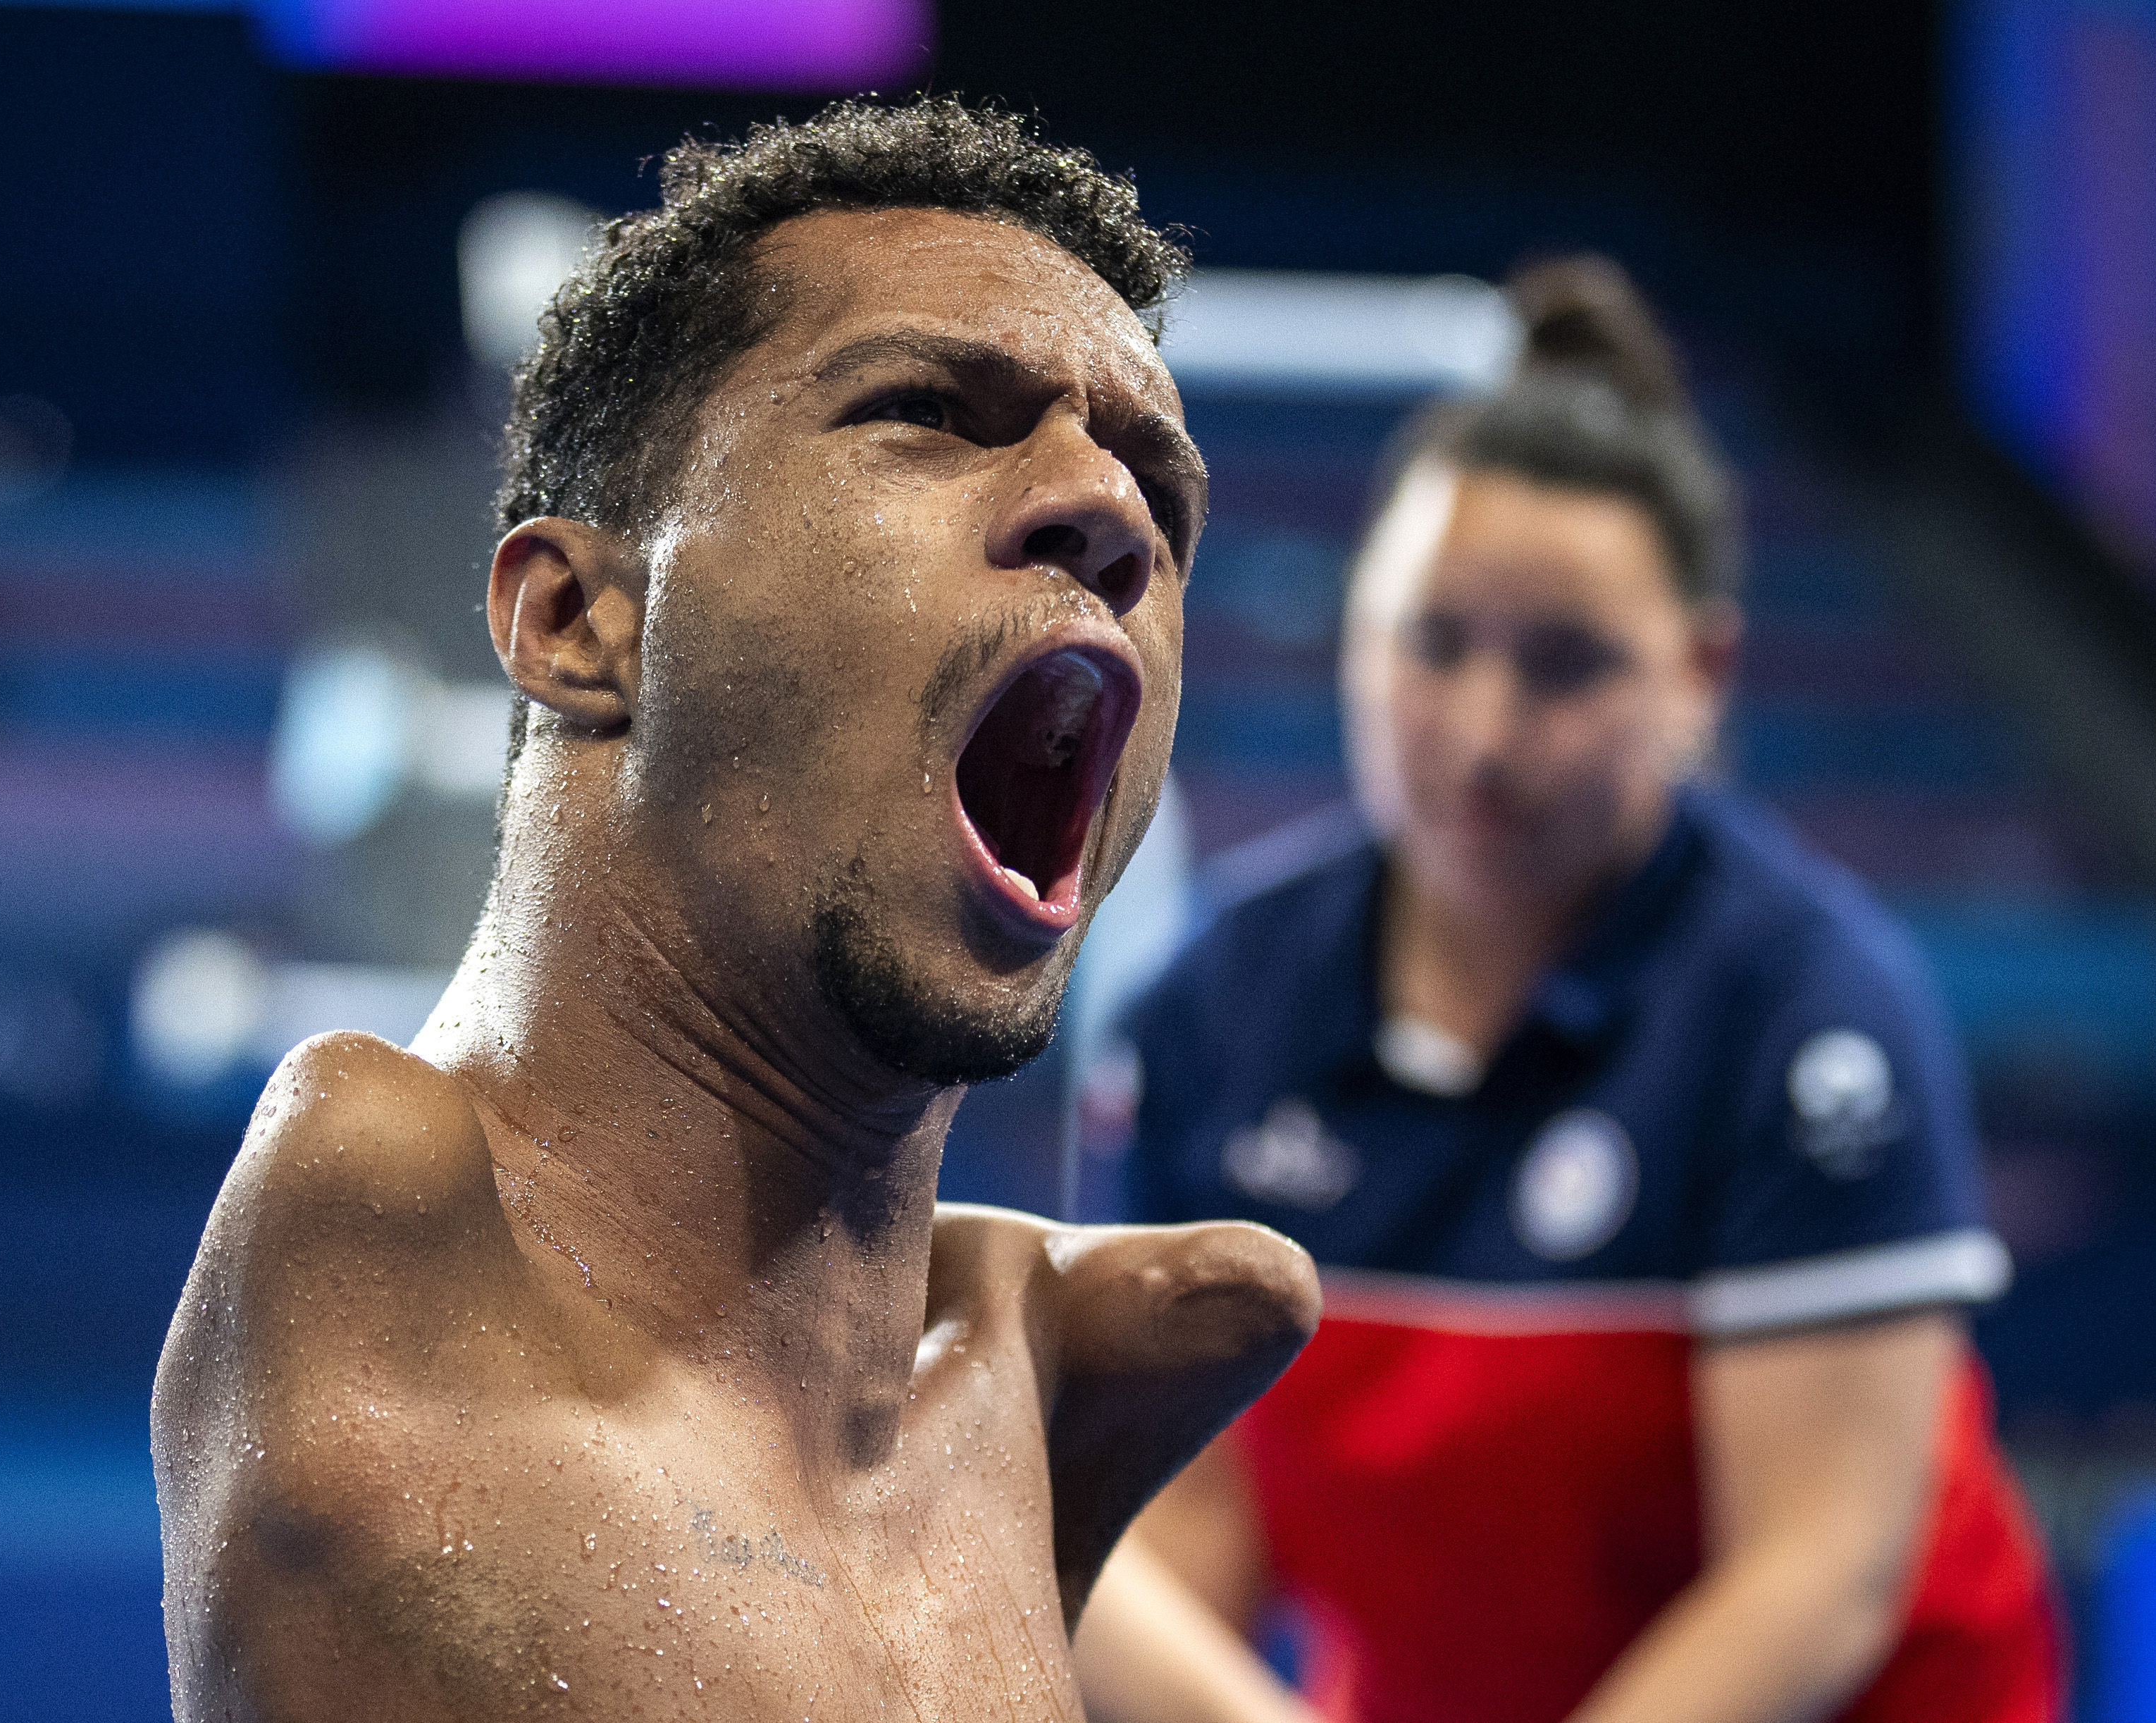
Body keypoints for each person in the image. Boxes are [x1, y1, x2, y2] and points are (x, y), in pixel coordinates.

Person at [149, 99, 1319, 1723]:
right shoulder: (378, 1197)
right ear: (573, 620)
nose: (1107, 513)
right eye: (928, 410)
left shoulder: (1023, 1384)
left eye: (1157, 496)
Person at [1074, 259, 2060, 1723]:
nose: (1481, 731)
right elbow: (1179, 1528)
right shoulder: (1207, 1009)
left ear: (1701, 673)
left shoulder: (1813, 1012)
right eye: (1432, 642)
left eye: (1565, 665)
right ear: (1357, 637)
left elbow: (1818, 1572)